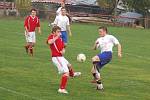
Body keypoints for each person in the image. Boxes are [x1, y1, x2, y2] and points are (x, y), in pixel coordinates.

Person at [47, 26, 81, 94]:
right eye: (58, 32)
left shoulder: (60, 39)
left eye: (60, 32)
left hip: (60, 56)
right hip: (56, 57)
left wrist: (63, 50)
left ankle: (72, 74)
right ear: (54, 32)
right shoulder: (51, 36)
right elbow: (49, 42)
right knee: (66, 73)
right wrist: (56, 37)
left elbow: (63, 48)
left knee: (69, 65)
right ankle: (61, 89)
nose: (60, 33)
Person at [91, 26, 122, 90]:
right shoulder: (98, 39)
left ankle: (96, 78)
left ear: (105, 31)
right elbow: (94, 49)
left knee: (94, 59)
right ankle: (100, 87)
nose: (99, 33)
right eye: (99, 32)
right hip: (102, 55)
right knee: (93, 71)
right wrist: (95, 43)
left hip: (108, 54)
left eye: (100, 31)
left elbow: (118, 44)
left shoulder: (110, 37)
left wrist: (119, 53)